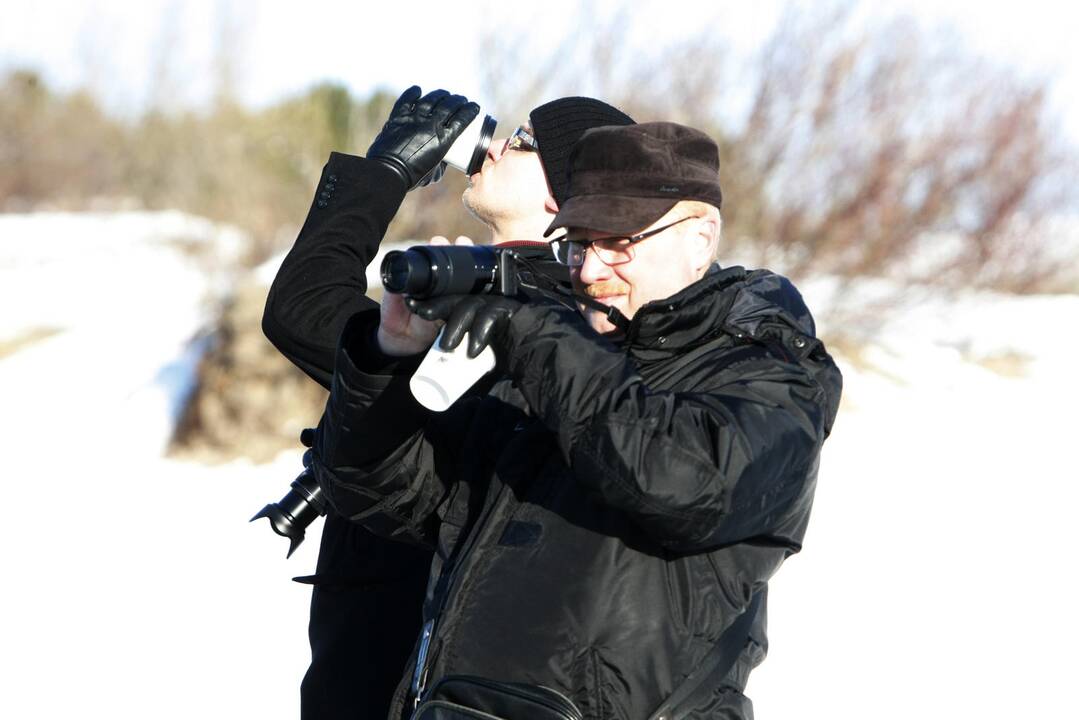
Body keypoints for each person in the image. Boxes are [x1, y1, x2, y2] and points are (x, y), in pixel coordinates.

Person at [308, 120, 843, 719]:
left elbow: (684, 481)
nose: (589, 270)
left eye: (620, 243)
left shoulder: (771, 374)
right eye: (579, 243)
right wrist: (389, 359)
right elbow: (383, 497)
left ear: (701, 239)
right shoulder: (558, 358)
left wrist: (535, 337)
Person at [261, 86, 634, 719]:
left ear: (560, 197)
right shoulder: (529, 303)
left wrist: (387, 171)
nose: (495, 146)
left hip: (404, 673)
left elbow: (306, 310)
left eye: (522, 141)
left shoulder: (527, 319)